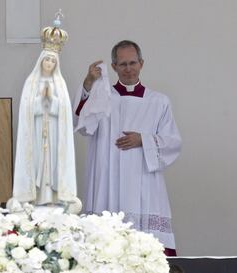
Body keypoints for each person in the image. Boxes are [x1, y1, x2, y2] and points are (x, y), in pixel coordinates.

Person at [73, 40, 182, 255]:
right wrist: (88, 84)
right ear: (113, 67)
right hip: (107, 179)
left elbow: (173, 142)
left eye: (133, 63)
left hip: (143, 180)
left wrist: (144, 140)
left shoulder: (159, 101)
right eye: (122, 64)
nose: (128, 69)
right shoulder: (102, 98)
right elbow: (82, 125)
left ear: (141, 63)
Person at [12, 18, 80, 212]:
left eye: (53, 60)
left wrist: (53, 100)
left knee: (52, 163)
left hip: (54, 131)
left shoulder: (60, 83)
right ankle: (35, 197)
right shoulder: (31, 82)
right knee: (38, 163)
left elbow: (65, 111)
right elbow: (26, 110)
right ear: (41, 60)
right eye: (47, 59)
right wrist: (39, 100)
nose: (49, 63)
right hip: (36, 130)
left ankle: (54, 197)